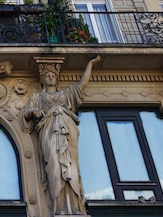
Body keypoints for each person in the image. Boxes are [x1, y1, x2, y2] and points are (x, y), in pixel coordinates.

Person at [22, 55, 101, 215]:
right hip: (49, 134)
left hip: (67, 133)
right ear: (42, 80)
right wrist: (33, 111)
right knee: (55, 167)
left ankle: (74, 207)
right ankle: (59, 207)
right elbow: (25, 114)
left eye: (53, 75)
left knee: (70, 166)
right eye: (47, 76)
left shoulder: (67, 95)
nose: (50, 77)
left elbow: (82, 84)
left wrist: (90, 64)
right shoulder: (37, 98)